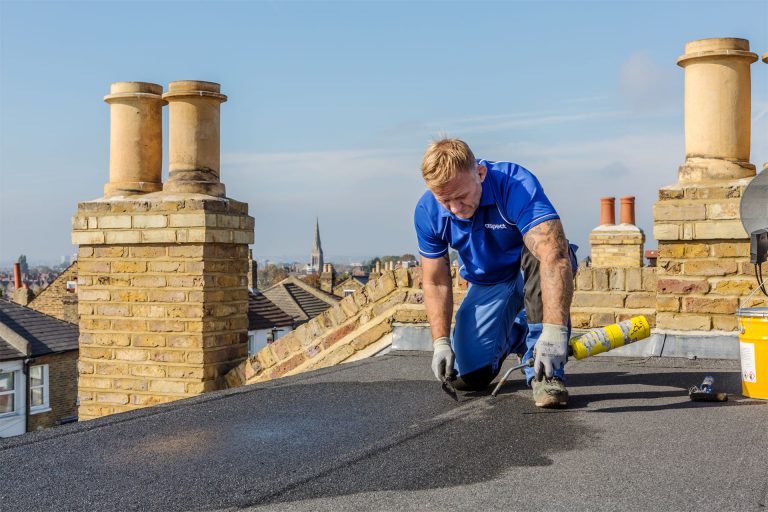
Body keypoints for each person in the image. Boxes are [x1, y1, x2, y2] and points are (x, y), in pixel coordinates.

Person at [414, 138, 575, 408]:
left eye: (461, 197)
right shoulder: (427, 211)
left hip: (532, 273)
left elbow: (553, 255)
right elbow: (436, 281)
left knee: (540, 251)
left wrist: (554, 331)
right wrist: (441, 342)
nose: (455, 209)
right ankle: (517, 333)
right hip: (491, 284)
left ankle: (547, 374)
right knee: (469, 376)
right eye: (445, 201)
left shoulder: (515, 184)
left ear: (480, 173)